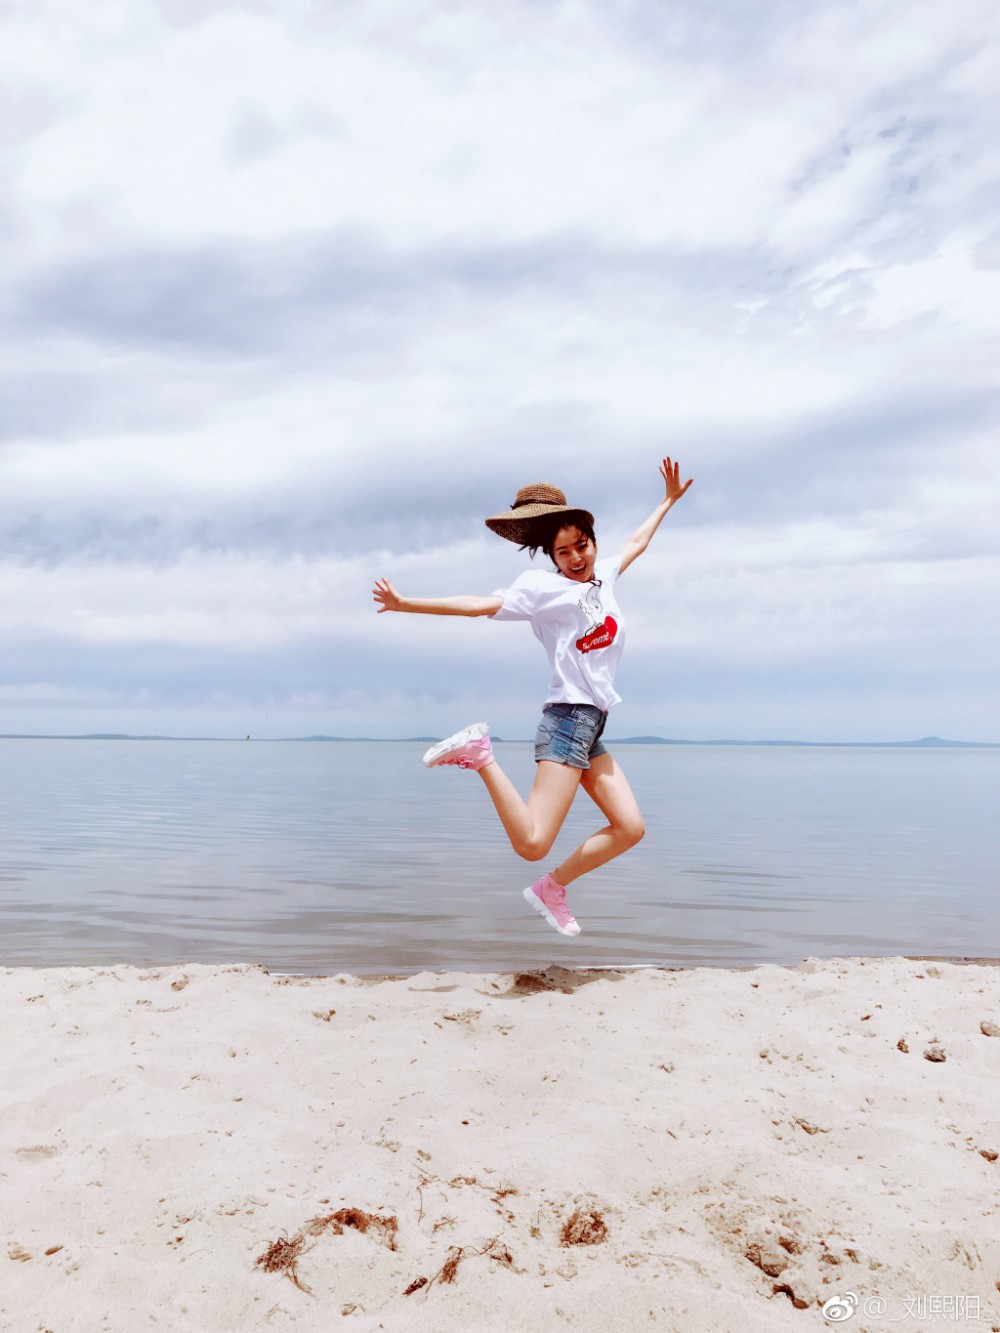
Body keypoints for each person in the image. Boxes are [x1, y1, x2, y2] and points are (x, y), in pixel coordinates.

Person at [372, 457, 693, 937]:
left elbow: (636, 543)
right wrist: (406, 604)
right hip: (568, 720)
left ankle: (551, 889)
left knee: (630, 827)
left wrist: (666, 501)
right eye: (564, 552)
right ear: (552, 558)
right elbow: (479, 605)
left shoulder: (605, 575)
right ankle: (480, 755)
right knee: (533, 842)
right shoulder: (540, 590)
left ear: (592, 542)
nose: (576, 558)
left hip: (592, 725)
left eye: (581, 545)